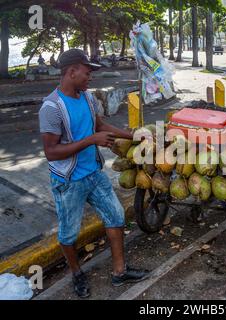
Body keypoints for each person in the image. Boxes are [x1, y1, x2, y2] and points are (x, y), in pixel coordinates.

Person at [38, 49, 149, 298]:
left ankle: (120, 272)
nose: (90, 77)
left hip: (94, 174)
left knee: (116, 217)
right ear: (71, 71)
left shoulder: (87, 98)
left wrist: (132, 135)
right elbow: (52, 152)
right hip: (68, 182)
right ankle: (77, 274)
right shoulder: (51, 108)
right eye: (87, 72)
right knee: (68, 233)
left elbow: (99, 126)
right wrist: (91, 140)